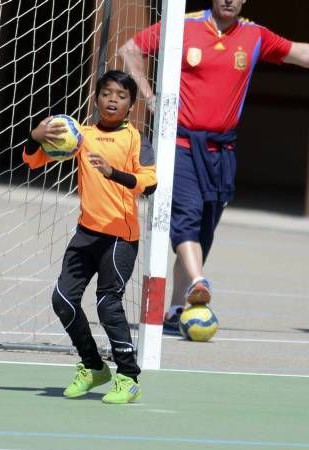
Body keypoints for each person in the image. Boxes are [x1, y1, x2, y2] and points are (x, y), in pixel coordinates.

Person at [119, 0, 309, 334]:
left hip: (222, 152)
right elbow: (130, 49)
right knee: (187, 218)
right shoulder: (184, 25)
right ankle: (199, 280)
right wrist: (150, 99)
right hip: (179, 145)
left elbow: (302, 53)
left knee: (204, 229)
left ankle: (177, 308)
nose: (228, 1)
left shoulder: (255, 36)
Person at [23, 70, 157, 404]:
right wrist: (35, 136)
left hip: (119, 237)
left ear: (131, 105)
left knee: (107, 303)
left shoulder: (136, 139)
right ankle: (93, 366)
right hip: (86, 234)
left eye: (121, 95)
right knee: (62, 300)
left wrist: (114, 173)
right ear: (95, 98)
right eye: (107, 93)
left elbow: (150, 183)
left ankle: (127, 376)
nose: (113, 100)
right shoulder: (79, 135)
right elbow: (33, 161)